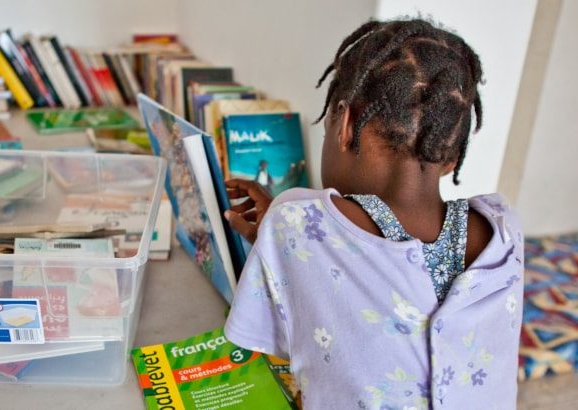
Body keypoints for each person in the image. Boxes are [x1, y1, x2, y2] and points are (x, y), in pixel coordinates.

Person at [222, 19, 524, 409]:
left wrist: (279, 234)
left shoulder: (292, 222)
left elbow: (276, 342)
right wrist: (284, 237)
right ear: (452, 155)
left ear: (345, 124)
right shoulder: (504, 228)